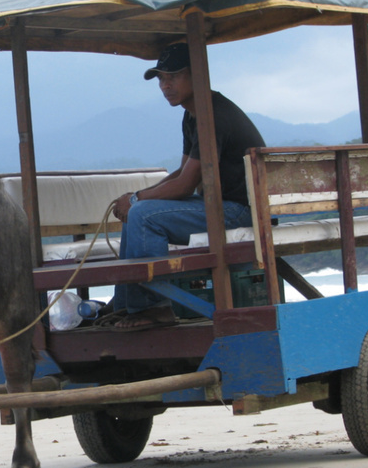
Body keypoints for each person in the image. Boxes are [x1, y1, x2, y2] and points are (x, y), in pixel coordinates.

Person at [108, 42, 265, 331]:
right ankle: (127, 307)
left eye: (173, 77)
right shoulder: (192, 114)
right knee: (138, 213)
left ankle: (155, 309)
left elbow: (185, 186)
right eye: (161, 79)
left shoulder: (213, 115)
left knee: (141, 215)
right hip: (218, 205)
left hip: (238, 211)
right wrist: (135, 200)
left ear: (197, 76)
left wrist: (136, 199)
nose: (166, 86)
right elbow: (183, 171)